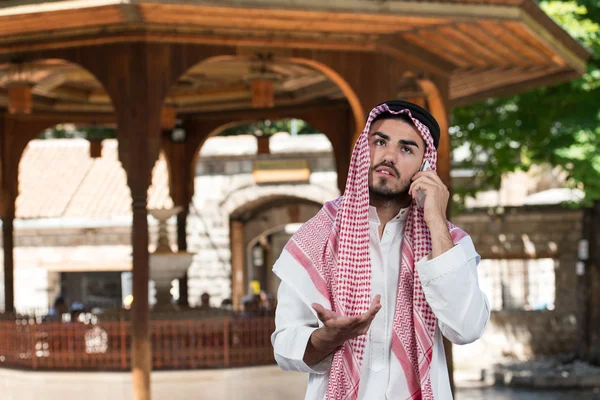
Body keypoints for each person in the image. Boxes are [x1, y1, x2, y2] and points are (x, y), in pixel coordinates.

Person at [271, 100, 490, 400]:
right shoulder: (318, 236)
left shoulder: (449, 242)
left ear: (425, 166)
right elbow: (284, 346)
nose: (388, 156)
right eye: (380, 142)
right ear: (363, 149)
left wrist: (436, 219)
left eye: (407, 149)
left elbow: (465, 328)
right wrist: (328, 337)